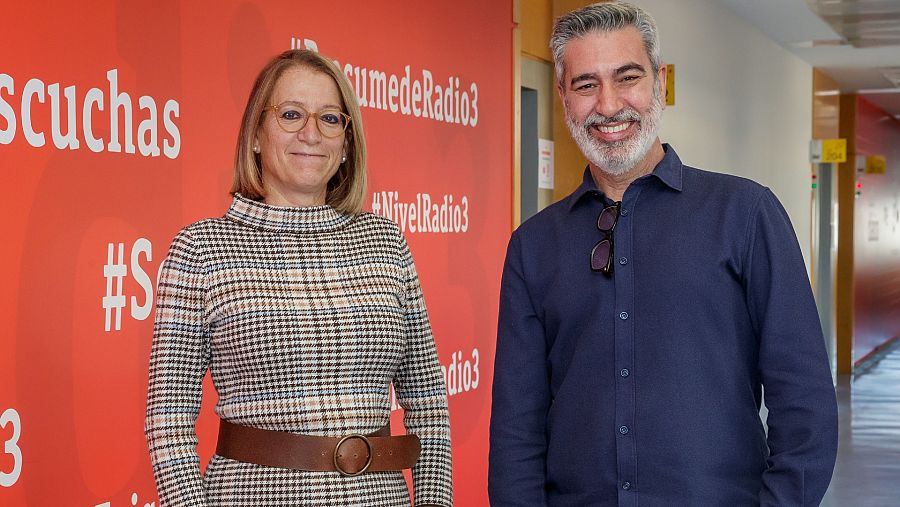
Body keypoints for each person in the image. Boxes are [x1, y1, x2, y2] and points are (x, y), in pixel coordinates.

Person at [489, 2, 838, 506]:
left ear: (660, 81)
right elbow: (517, 429)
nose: (609, 105)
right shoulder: (533, 246)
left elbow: (804, 398)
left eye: (627, 77)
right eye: (586, 84)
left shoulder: (745, 215)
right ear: (563, 95)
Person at [145, 49, 452, 507]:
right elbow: (168, 418)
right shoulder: (200, 250)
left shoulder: (386, 244)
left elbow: (428, 403)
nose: (311, 133)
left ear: (346, 142)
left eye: (330, 119)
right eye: (290, 114)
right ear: (255, 133)